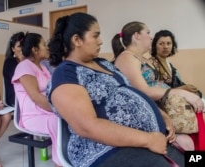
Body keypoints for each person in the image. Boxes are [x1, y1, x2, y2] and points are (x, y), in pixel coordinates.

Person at [47, 12, 184, 167]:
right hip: (106, 150)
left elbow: (132, 92)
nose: (100, 41)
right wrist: (148, 140)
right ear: (77, 40)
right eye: (95, 36)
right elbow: (87, 127)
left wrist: (161, 115)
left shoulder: (103, 63)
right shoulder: (66, 74)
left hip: (147, 140)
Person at [111, 21, 204, 150]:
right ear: (137, 35)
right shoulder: (127, 58)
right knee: (187, 142)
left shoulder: (140, 58)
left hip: (163, 107)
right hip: (150, 111)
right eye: (148, 33)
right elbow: (143, 91)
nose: (151, 37)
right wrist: (181, 92)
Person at [11, 33, 61, 167]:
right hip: (32, 116)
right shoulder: (24, 67)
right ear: (35, 49)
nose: (47, 48)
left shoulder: (43, 67)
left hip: (46, 111)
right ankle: (61, 163)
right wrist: (59, 110)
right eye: (44, 45)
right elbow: (36, 97)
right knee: (60, 122)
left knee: (71, 119)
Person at [151, 29, 205, 150]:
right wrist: (183, 89)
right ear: (155, 45)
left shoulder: (169, 65)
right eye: (161, 43)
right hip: (165, 108)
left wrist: (188, 88)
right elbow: (156, 90)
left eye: (168, 43)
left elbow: (176, 85)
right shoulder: (152, 65)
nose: (165, 47)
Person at [3, 31, 25, 106]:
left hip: (27, 94)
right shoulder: (9, 62)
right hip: (15, 97)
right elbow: (20, 80)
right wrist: (23, 61)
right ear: (13, 49)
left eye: (24, 45)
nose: (22, 48)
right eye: (19, 46)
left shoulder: (29, 61)